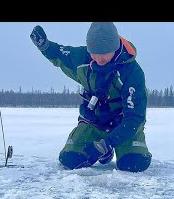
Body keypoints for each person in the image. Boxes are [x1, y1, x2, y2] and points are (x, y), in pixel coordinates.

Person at [30, 22, 152, 172]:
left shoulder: (132, 72)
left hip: (124, 124)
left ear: (114, 47)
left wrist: (107, 144)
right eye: (95, 52)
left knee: (133, 164)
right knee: (70, 160)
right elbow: (59, 53)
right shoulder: (82, 58)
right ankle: (100, 149)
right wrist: (44, 46)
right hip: (94, 121)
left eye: (105, 53)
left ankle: (118, 148)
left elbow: (135, 117)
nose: (99, 58)